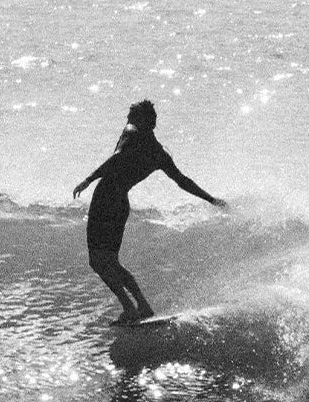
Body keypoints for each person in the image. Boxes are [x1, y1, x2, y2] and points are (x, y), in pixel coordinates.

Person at [72, 99, 226, 321]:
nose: (127, 121)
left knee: (97, 261)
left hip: (106, 197)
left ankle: (129, 308)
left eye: (131, 117)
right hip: (121, 202)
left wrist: (88, 180)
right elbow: (182, 181)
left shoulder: (131, 133)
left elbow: (116, 160)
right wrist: (211, 200)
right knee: (112, 261)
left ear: (140, 120)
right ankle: (142, 305)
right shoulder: (158, 154)